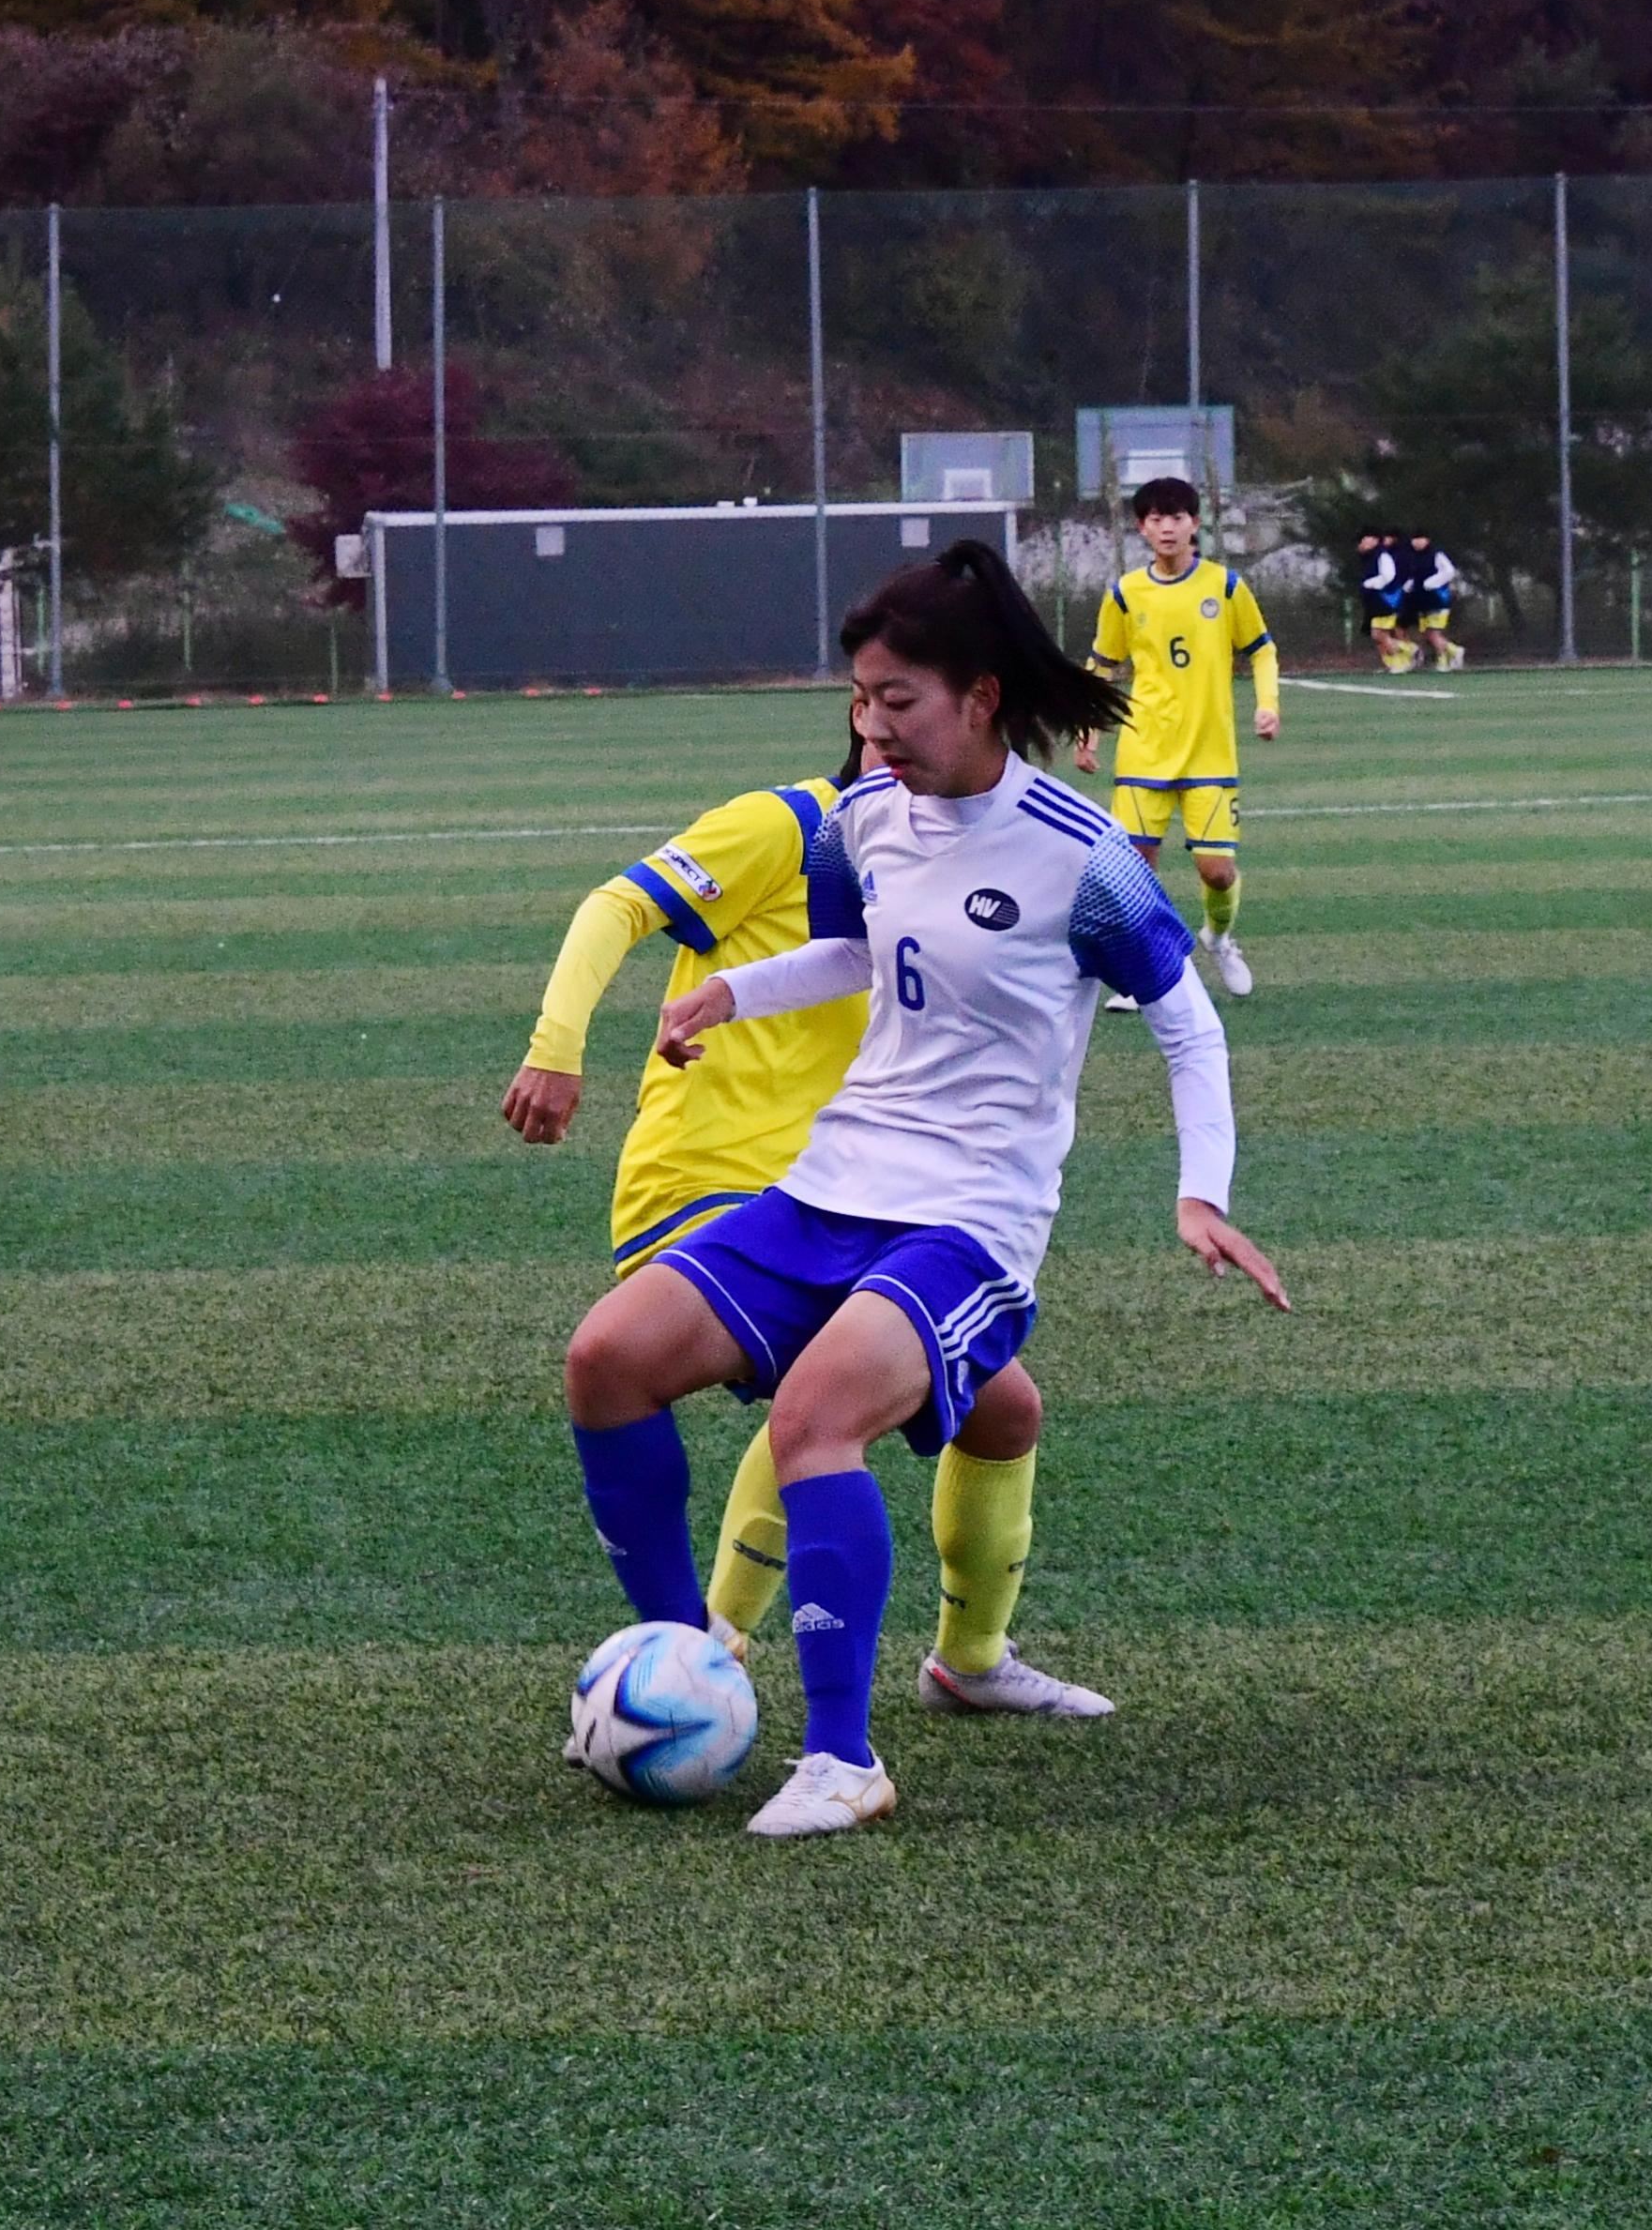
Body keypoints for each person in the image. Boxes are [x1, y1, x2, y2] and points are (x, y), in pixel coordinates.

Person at [560, 541, 1290, 1838]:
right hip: (837, 1178)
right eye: (861, 697)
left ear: (983, 696)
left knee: (814, 1422)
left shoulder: (1085, 854)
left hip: (974, 1220)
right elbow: (848, 950)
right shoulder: (861, 820)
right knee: (606, 1359)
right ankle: (685, 1655)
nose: (872, 723)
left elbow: (1185, 1021)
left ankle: (844, 1760)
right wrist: (736, 987)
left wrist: (1202, 1193)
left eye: (900, 699)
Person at [507, 708, 1108, 1718]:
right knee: (828, 1386)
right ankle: (707, 1652)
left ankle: (969, 1658)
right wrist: (555, 1044)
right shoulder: (788, 825)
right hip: (704, 1182)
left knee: (1005, 1411)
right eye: (892, 715)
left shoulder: (955, 859)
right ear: (866, 725)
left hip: (849, 1188)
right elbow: (614, 904)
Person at [1075, 477, 1279, 1004]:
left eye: (1177, 517)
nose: (1167, 527)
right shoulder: (1124, 593)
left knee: (1216, 870)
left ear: (1194, 524)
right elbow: (1103, 666)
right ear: (1143, 528)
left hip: (1210, 753)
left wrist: (1267, 705)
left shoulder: (1225, 586)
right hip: (1144, 750)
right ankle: (1147, 970)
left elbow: (1261, 650)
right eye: (1155, 519)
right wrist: (1088, 732)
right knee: (1136, 871)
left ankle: (1218, 936)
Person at [1402, 531, 1467, 671]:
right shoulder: (1414, 557)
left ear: (1427, 540)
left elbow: (1449, 571)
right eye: (1414, 539)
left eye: (1420, 538)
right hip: (1422, 600)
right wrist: (1410, 585)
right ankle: (1451, 653)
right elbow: (1415, 576)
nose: (1417, 542)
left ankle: (1446, 659)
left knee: (1433, 633)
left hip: (1437, 600)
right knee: (1427, 633)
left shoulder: (1436, 555)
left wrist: (1433, 582)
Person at [1355, 532, 1413, 673]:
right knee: (1379, 636)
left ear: (1375, 540)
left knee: (1380, 635)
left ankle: (1408, 652)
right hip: (1375, 602)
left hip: (1386, 601)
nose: (1363, 544)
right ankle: (1397, 662)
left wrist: (1371, 584)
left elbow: (1388, 575)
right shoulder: (1368, 557)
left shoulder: (1382, 556)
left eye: (1365, 539)